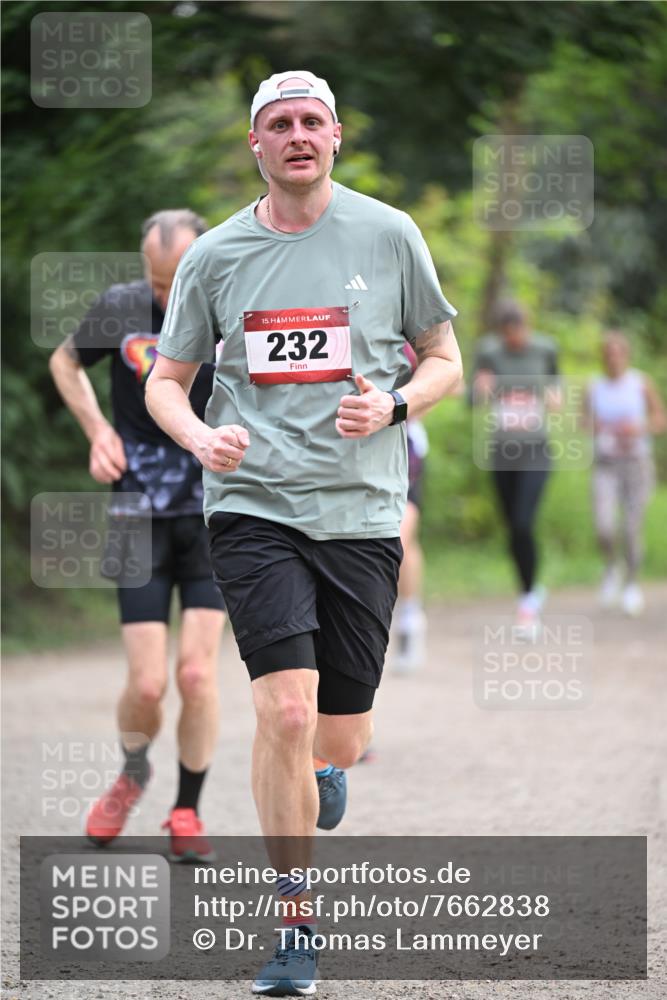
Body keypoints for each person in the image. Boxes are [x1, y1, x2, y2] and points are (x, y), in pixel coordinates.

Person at [146, 70, 461, 996]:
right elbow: (167, 378)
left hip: (361, 513)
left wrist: (396, 402)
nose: (296, 136)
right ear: (256, 144)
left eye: (311, 122)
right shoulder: (214, 256)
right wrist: (203, 435)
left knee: (340, 734)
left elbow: (443, 357)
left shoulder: (387, 233)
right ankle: (294, 925)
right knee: (282, 709)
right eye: (278, 123)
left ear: (335, 138)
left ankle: (326, 767)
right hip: (253, 508)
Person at [48, 210, 225, 862]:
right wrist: (98, 430)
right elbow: (65, 364)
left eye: (174, 284)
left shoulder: (235, 310)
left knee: (197, 674)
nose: (162, 297)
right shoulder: (121, 304)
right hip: (135, 511)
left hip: (214, 511)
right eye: (155, 282)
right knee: (148, 685)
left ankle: (186, 810)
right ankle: (132, 773)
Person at [470, 300, 561, 638]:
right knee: (513, 528)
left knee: (524, 522)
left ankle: (527, 603)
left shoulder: (546, 348)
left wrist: (555, 396)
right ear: (500, 333)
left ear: (528, 324)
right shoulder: (489, 353)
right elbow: (472, 398)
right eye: (509, 335)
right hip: (502, 452)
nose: (515, 340)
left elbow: (557, 384)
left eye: (519, 332)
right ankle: (529, 588)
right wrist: (480, 390)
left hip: (537, 450)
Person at [585, 331, 666, 615]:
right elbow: (583, 421)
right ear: (603, 357)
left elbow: (660, 419)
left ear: (627, 356)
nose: (614, 358)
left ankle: (632, 584)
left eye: (619, 353)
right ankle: (611, 567)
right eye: (609, 354)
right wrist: (596, 427)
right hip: (606, 463)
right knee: (604, 525)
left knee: (632, 529)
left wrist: (639, 427)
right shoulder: (593, 386)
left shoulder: (640, 383)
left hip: (636, 464)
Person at [392, 343, 429, 673]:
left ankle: (408, 618)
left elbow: (448, 376)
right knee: (407, 544)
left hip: (406, 445)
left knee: (400, 539)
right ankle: (409, 613)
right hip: (356, 449)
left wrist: (407, 406)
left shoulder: (407, 340)